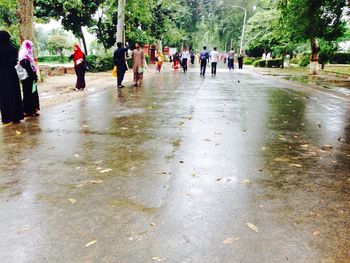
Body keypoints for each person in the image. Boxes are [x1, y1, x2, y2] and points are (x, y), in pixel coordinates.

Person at [0, 31, 24, 124]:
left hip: (1, 76)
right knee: (14, 94)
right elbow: (14, 62)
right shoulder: (11, 48)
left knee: (3, 96)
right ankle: (15, 117)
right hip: (10, 74)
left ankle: (6, 118)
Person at [19, 40, 40, 117]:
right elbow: (28, 70)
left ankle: (33, 109)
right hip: (28, 80)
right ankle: (28, 111)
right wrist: (34, 76)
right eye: (30, 47)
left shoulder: (28, 57)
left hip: (31, 79)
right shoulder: (24, 58)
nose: (31, 48)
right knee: (28, 94)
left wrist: (35, 76)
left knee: (33, 93)